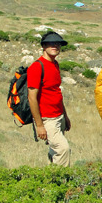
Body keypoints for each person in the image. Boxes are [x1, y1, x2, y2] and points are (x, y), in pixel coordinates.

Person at [27, 31, 71, 167]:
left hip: (58, 116)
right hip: (47, 119)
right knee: (63, 149)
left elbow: (56, 92)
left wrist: (65, 116)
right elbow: (32, 98)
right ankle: (60, 183)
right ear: (44, 46)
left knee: (54, 152)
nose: (55, 46)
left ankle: (48, 180)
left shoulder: (55, 64)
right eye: (51, 43)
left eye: (58, 43)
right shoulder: (37, 67)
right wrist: (39, 125)